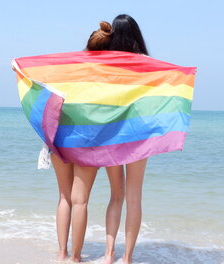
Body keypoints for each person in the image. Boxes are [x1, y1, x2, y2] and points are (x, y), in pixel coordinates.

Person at [86, 14, 150, 264]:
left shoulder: (104, 63)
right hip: (139, 135)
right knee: (134, 197)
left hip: (112, 134)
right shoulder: (146, 63)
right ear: (136, 34)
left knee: (116, 196)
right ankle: (127, 258)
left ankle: (109, 254)